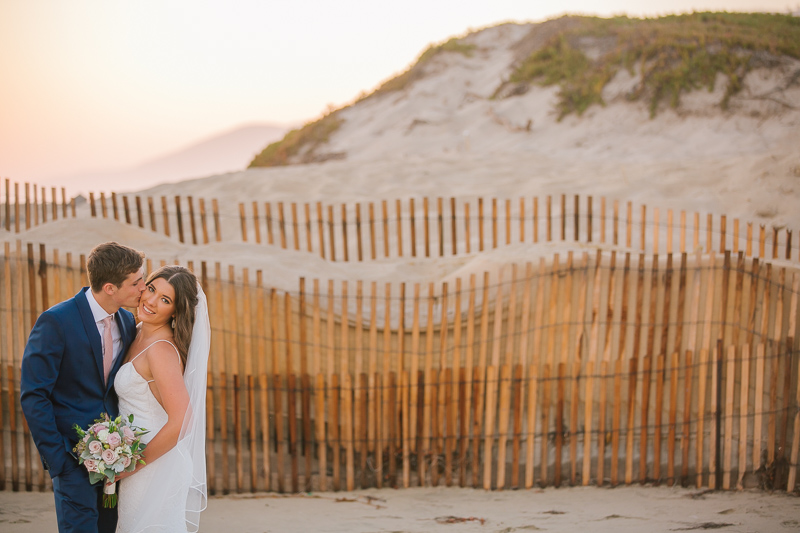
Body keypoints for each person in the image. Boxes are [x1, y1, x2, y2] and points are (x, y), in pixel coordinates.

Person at [20, 242, 146, 533]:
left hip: (115, 458)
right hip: (70, 458)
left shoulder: (127, 321)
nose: (142, 287)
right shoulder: (56, 321)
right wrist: (59, 460)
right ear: (111, 288)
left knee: (106, 528)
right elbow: (34, 394)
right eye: (136, 282)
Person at [113, 265, 210, 533]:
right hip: (141, 462)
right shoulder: (136, 333)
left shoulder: (161, 351)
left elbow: (182, 420)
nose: (152, 301)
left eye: (165, 300)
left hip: (156, 465)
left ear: (176, 312)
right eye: (152, 289)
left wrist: (134, 464)